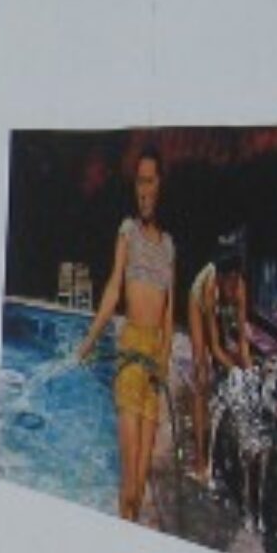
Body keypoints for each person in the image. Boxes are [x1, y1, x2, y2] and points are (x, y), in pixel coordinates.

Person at [76, 147, 175, 524]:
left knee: (143, 482)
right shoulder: (127, 232)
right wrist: (89, 340)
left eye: (150, 182)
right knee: (130, 489)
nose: (143, 190)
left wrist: (164, 360)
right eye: (139, 183)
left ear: (161, 185)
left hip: (153, 366)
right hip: (131, 355)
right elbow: (113, 289)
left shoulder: (169, 246)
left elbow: (169, 315)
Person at [186, 235, 253, 484]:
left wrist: (247, 371)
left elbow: (243, 342)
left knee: (235, 368)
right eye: (230, 282)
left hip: (219, 309)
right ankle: (199, 460)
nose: (234, 286)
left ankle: (224, 447)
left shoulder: (240, 288)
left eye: (237, 280)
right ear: (222, 279)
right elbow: (213, 347)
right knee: (202, 375)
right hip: (198, 303)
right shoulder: (209, 288)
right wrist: (234, 369)